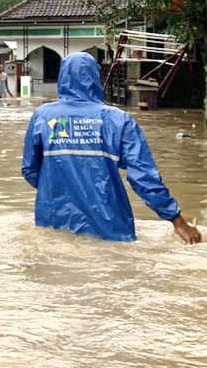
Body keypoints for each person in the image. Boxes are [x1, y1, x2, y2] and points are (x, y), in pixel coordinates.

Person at [21, 52, 201, 243]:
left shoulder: (43, 116)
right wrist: (178, 221)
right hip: (109, 224)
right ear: (95, 78)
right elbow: (143, 176)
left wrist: (60, 189)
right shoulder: (118, 119)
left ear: (62, 77)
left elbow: (29, 169)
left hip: (53, 221)